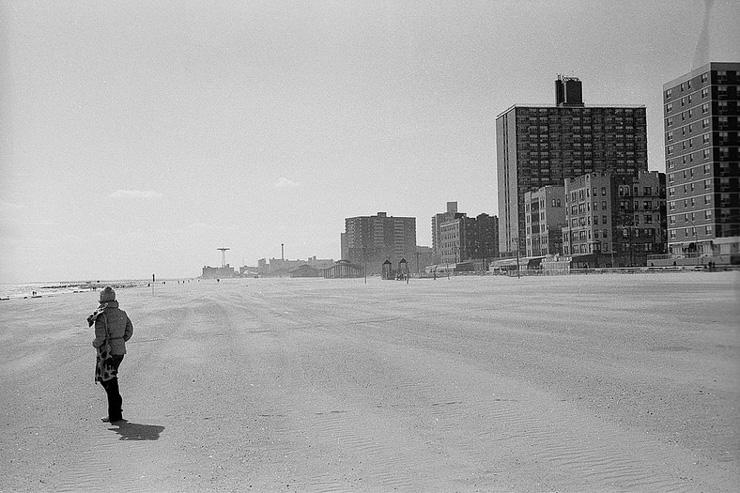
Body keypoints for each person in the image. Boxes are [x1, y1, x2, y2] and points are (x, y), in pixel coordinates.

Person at [87, 286, 133, 423]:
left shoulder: (101, 315)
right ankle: (116, 413)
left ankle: (115, 415)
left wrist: (94, 343)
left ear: (101, 300)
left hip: (107, 354)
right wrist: (121, 341)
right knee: (111, 381)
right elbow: (129, 330)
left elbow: (100, 338)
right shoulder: (122, 313)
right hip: (120, 351)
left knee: (107, 381)